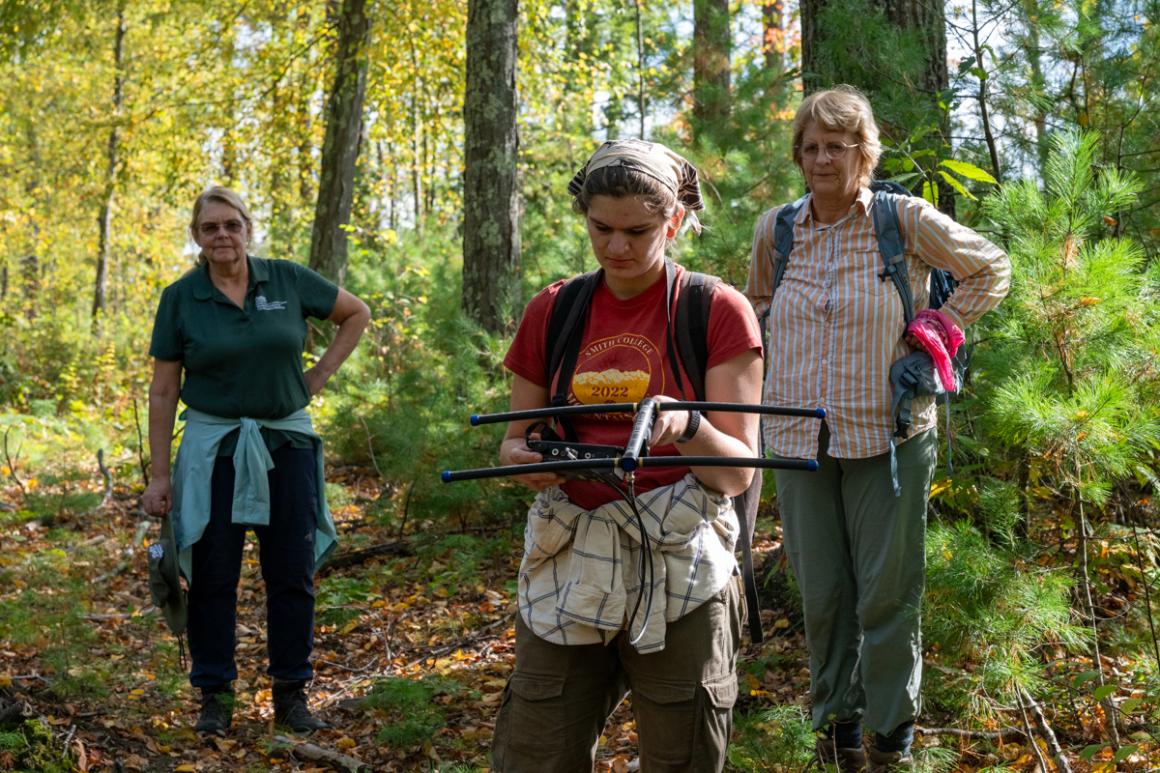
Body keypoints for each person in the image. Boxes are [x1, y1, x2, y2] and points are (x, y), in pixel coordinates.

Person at [745, 86, 1010, 771]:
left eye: (838, 145)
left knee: (888, 597)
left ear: (863, 153)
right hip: (798, 441)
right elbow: (760, 307)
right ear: (797, 157)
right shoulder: (775, 229)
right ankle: (840, 734)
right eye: (811, 147)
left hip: (888, 437)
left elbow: (992, 266)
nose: (823, 158)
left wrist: (942, 327)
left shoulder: (902, 219)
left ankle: (892, 737)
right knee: (824, 597)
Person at [490, 139, 763, 772]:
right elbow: (513, 439)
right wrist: (529, 460)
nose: (617, 247)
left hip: (683, 560)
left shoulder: (715, 309)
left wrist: (686, 424)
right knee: (535, 751)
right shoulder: (554, 309)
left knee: (682, 754)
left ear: (674, 221)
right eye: (601, 228)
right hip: (570, 549)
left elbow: (734, 470)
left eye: (638, 231)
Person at [141, 186, 370, 736]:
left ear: (248, 228)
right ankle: (214, 696)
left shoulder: (287, 279)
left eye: (231, 225)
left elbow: (356, 314)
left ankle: (291, 695)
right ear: (196, 237)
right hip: (212, 450)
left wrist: (315, 377)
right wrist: (159, 474)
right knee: (213, 575)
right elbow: (163, 389)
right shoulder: (181, 297)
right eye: (210, 227)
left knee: (292, 573)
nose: (222, 235)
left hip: (284, 445)